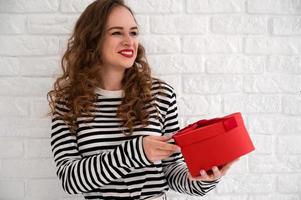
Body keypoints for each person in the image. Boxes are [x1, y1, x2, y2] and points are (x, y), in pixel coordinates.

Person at [47, 0, 237, 199]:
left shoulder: (161, 95)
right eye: (117, 32)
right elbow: (69, 180)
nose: (129, 41)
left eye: (134, 32)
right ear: (93, 39)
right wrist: (136, 152)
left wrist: (202, 179)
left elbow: (170, 170)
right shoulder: (68, 103)